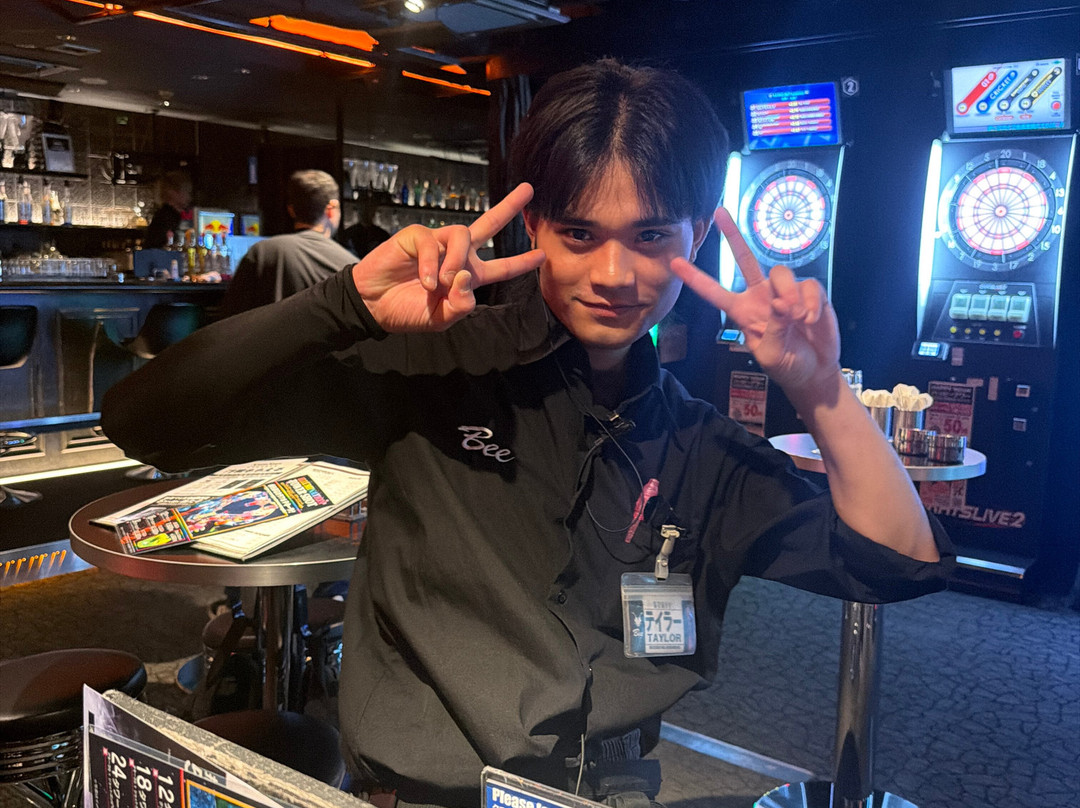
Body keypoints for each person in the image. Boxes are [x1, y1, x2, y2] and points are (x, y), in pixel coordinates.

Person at [101, 60, 952, 808]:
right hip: (424, 794)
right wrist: (345, 303)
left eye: (651, 235)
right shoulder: (435, 364)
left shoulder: (698, 444)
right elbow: (147, 422)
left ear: (697, 234)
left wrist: (819, 388)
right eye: (580, 233)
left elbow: (896, 563)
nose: (614, 275)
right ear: (535, 225)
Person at [220, 169, 357, 318]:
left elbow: (230, 318)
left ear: (291, 210)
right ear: (331, 210)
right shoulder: (350, 266)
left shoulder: (262, 252)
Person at [145, 169, 192, 248]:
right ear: (172, 192)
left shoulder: (164, 214)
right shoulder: (167, 217)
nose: (189, 197)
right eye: (186, 191)